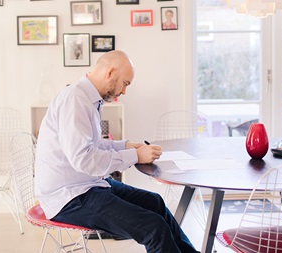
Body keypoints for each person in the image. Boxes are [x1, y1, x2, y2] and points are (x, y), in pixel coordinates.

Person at [34, 50, 200, 253]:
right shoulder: (75, 100)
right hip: (69, 198)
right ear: (111, 72)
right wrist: (136, 156)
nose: (124, 91)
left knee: (155, 202)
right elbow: (84, 160)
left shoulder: (89, 98)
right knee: (153, 228)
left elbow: (92, 146)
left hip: (87, 185)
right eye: (125, 83)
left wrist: (126, 146)